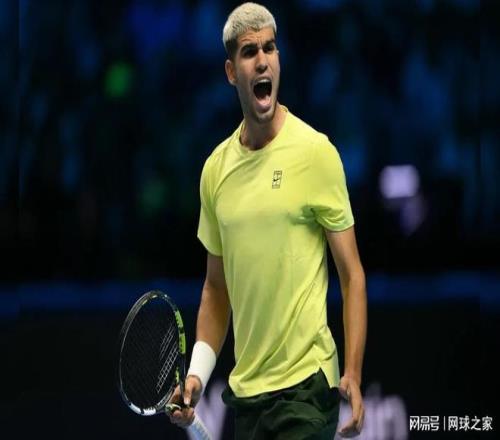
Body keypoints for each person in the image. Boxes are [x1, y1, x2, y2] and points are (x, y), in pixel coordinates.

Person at [168, 3, 367, 438]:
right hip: (248, 398)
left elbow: (352, 274)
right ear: (231, 72)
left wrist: (352, 371)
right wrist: (197, 376)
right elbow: (216, 289)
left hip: (307, 388)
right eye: (249, 51)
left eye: (270, 48)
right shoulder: (215, 171)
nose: (262, 60)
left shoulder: (315, 153)